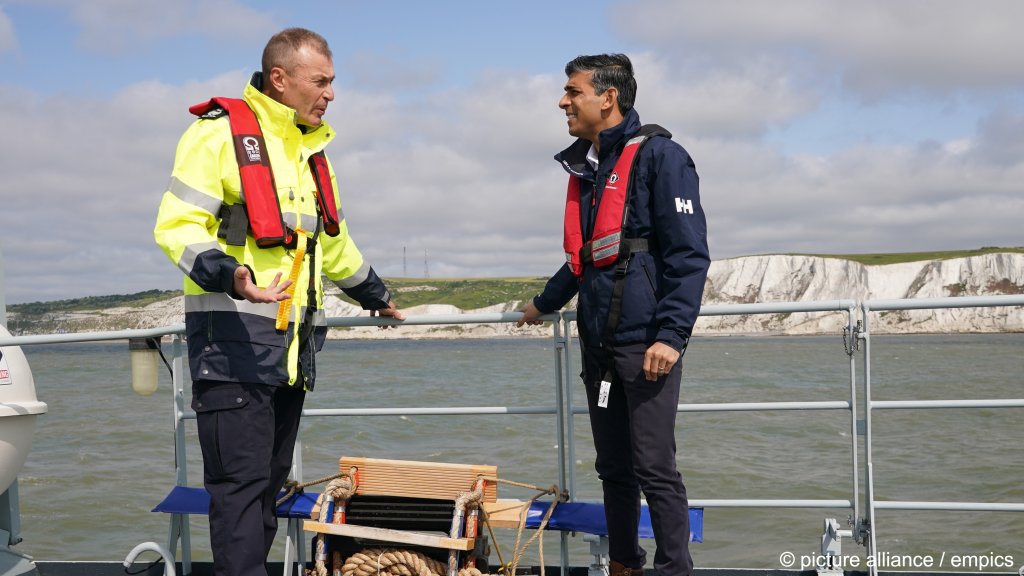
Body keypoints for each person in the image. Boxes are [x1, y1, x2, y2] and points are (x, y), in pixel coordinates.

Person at [154, 28, 404, 576]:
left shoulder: (313, 152)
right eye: (321, 81)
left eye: (333, 82)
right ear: (280, 79)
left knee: (265, 488)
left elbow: (333, 245)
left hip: (290, 356)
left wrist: (377, 295)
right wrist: (233, 275)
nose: (331, 94)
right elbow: (175, 227)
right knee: (240, 492)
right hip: (232, 347)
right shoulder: (216, 135)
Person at [518, 54, 710, 576]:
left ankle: (675, 569)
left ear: (607, 97)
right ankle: (625, 564)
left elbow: (688, 256)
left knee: (655, 468)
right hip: (598, 347)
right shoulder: (588, 167)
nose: (563, 101)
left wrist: (671, 337)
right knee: (613, 470)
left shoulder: (662, 158)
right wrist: (542, 304)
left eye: (572, 91)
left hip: (647, 346)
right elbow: (588, 257)